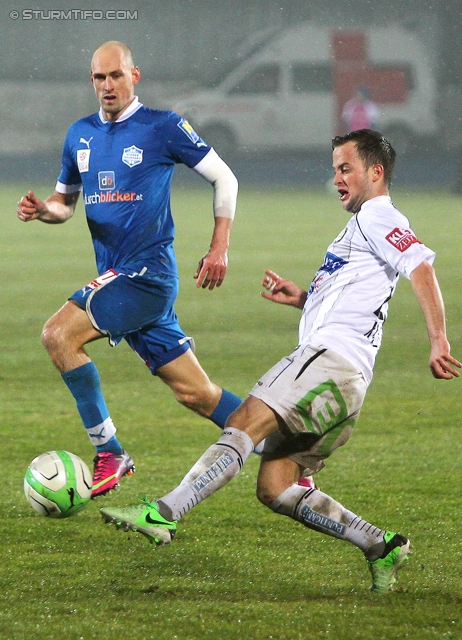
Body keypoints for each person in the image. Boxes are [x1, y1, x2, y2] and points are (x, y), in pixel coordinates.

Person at [100, 129, 460, 593]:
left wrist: (439, 340)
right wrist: (304, 300)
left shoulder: (379, 214)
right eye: (335, 169)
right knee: (275, 486)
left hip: (328, 360)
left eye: (346, 168)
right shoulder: (363, 225)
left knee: (246, 419)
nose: (337, 178)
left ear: (376, 172)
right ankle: (380, 545)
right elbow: (360, 295)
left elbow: (421, 266)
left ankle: (164, 512)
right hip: (348, 380)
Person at [17, 41, 247, 498]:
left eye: (116, 76)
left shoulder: (162, 127)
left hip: (146, 275)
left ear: (134, 76)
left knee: (58, 335)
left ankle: (110, 452)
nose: (107, 85)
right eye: (99, 78)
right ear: (92, 82)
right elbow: (65, 203)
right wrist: (45, 210)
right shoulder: (78, 135)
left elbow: (226, 177)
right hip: (120, 276)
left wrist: (219, 246)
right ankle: (286, 447)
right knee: (196, 394)